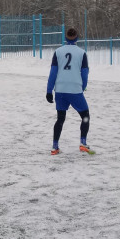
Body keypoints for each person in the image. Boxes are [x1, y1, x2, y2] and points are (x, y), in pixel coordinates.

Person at [46, 27, 93, 155]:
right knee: (85, 116)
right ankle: (83, 143)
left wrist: (49, 90)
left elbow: (53, 72)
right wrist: (82, 87)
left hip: (60, 90)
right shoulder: (82, 53)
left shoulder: (58, 52)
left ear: (65, 38)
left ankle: (55, 147)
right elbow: (85, 73)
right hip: (75, 90)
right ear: (77, 38)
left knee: (60, 118)